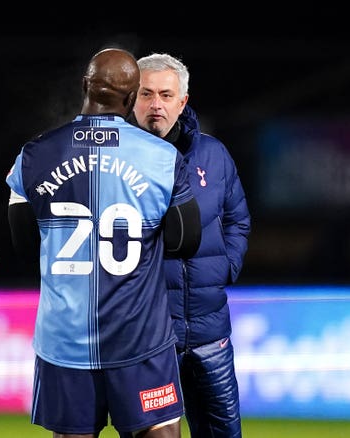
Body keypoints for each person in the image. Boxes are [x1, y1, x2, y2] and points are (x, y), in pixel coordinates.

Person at [5, 48, 201, 438]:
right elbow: (186, 240)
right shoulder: (162, 158)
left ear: (85, 86)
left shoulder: (33, 155)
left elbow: (24, 245)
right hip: (139, 338)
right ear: (131, 100)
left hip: (64, 340)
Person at [131, 53, 251, 438]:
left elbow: (238, 219)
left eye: (166, 95)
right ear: (132, 99)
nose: (156, 105)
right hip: (150, 340)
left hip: (211, 334)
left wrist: (225, 268)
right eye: (146, 94)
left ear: (182, 102)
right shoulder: (117, 160)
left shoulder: (213, 154)